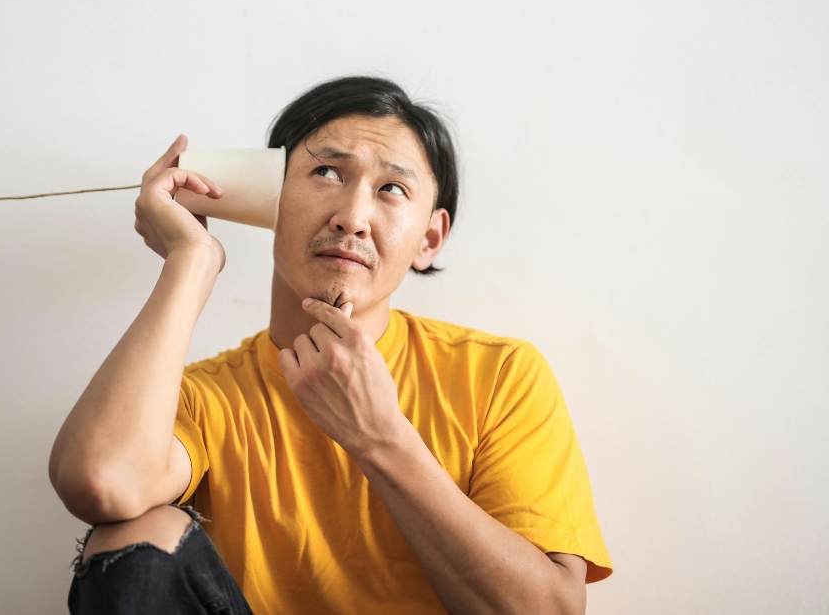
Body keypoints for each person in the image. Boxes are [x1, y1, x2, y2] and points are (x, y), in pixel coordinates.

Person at [48, 76, 613, 615]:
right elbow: (102, 481)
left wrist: (380, 436)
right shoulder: (201, 398)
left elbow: (550, 610)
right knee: (133, 530)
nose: (352, 218)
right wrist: (191, 260)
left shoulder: (499, 376)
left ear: (429, 238)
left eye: (391, 189)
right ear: (268, 198)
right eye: (326, 172)